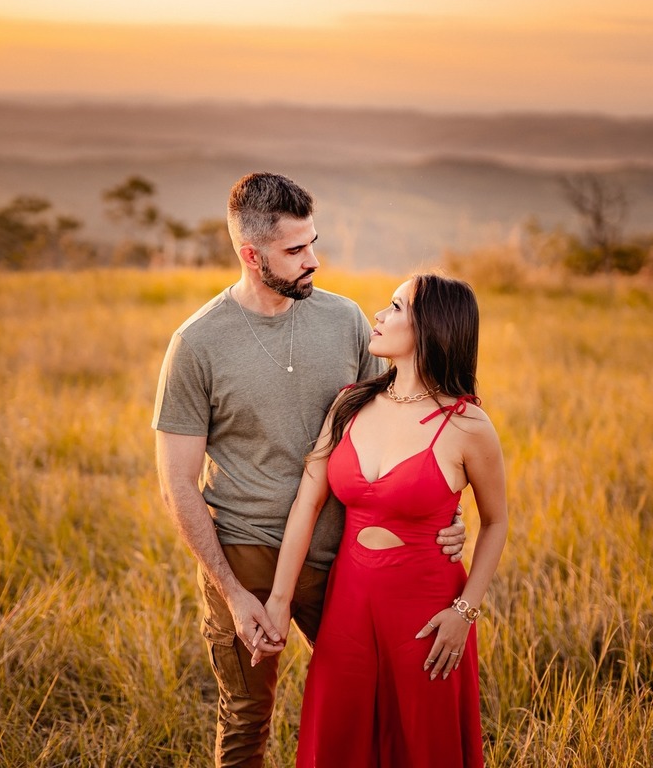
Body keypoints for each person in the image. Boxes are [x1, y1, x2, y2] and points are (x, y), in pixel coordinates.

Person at [152, 173, 467, 768]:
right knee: (246, 719)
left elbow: (405, 423)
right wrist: (233, 593)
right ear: (252, 255)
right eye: (295, 251)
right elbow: (175, 484)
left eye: (313, 244)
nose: (313, 261)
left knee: (377, 700)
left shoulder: (346, 321)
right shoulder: (196, 343)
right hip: (245, 553)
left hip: (344, 553)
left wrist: (446, 518)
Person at [256, 272, 508, 767]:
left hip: (425, 611)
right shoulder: (351, 402)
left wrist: (465, 612)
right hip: (348, 604)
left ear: (430, 328)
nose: (379, 315)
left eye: (395, 307)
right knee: (338, 738)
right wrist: (280, 600)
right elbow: (307, 502)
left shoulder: (467, 424)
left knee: (421, 743)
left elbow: (497, 521)